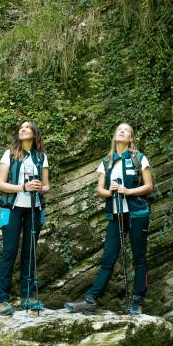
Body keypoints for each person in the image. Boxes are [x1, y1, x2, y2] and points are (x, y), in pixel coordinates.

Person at [64, 123, 153, 315]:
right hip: (116, 214)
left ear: (131, 139)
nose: (121, 131)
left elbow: (149, 186)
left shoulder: (138, 158)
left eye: (126, 131)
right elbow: (99, 190)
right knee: (108, 258)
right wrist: (109, 191)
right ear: (114, 137)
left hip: (137, 213)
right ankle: (91, 299)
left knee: (139, 258)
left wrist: (129, 191)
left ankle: (137, 301)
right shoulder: (107, 161)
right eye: (119, 130)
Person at [0, 120, 49, 316]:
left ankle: (27, 297)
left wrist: (39, 187)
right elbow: (0, 184)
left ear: (34, 133)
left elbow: (47, 186)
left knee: (30, 251)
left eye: (27, 127)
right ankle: (2, 299)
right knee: (9, 251)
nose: (23, 130)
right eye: (21, 128)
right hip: (12, 208)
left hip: (34, 209)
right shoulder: (9, 154)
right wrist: (23, 188)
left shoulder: (41, 157)